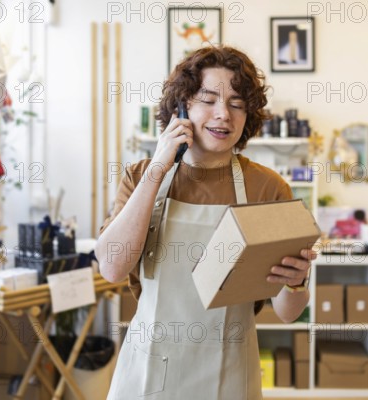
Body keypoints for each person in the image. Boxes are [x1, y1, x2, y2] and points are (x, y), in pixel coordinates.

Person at [96, 45, 317, 399]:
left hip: (228, 373)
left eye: (237, 104)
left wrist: (297, 282)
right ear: (181, 106)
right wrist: (158, 167)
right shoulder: (140, 176)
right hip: (148, 370)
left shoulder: (268, 187)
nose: (223, 115)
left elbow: (288, 313)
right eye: (208, 99)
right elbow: (111, 267)